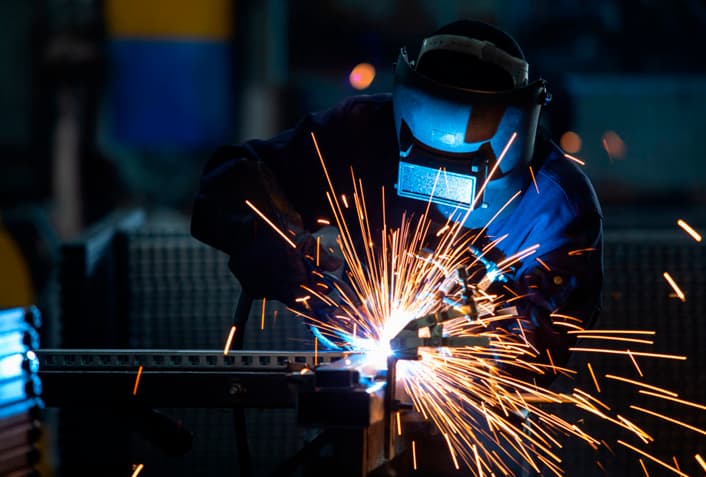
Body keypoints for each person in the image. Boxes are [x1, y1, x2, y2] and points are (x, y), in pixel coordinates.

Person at [191, 19, 603, 475]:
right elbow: (231, 181)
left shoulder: (557, 204)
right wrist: (288, 253)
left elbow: (540, 346)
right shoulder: (362, 133)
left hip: (479, 435)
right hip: (354, 401)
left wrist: (464, 334)